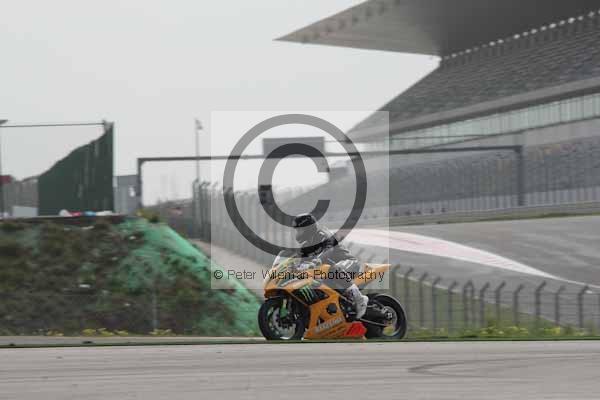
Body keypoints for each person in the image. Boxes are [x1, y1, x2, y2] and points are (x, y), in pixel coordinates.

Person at [292, 213, 369, 319]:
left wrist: (317, 260)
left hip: (347, 261)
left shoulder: (323, 234)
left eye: (300, 230)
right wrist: (291, 266)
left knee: (333, 269)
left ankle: (359, 299)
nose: (298, 233)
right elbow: (297, 260)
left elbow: (329, 249)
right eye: (297, 230)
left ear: (308, 228)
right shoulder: (306, 246)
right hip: (328, 270)